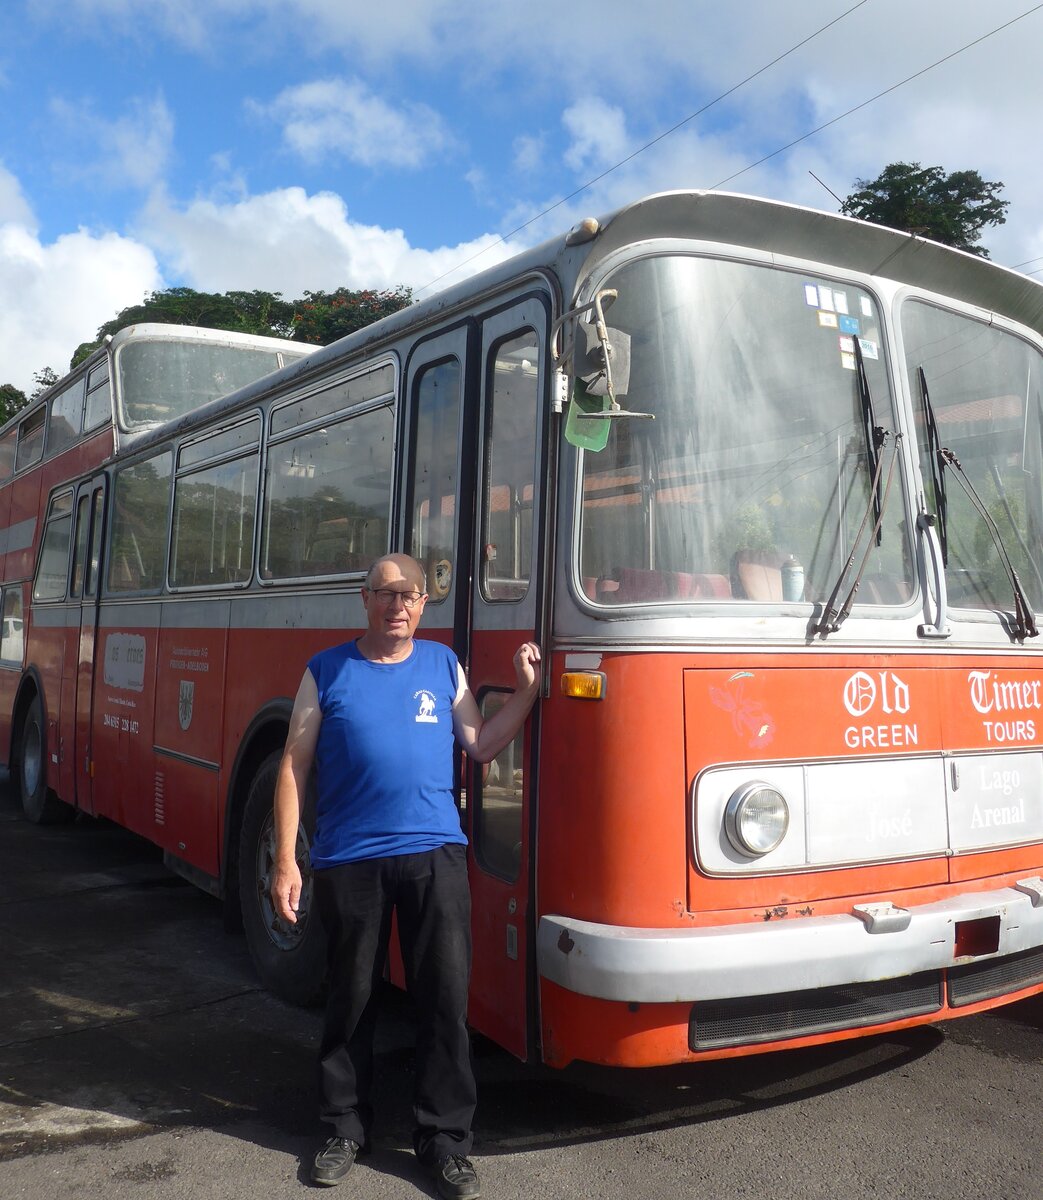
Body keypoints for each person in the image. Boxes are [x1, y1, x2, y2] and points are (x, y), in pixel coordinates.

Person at [271, 553, 541, 1198]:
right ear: (363, 599)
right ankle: (343, 1127)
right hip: (348, 856)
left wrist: (528, 692)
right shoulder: (327, 670)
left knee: (444, 1000)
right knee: (353, 996)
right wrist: (286, 859)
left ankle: (445, 1141)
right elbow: (292, 765)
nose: (399, 605)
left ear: (424, 605)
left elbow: (479, 744)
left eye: (411, 596)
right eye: (387, 594)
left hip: (434, 853)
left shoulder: (443, 665)